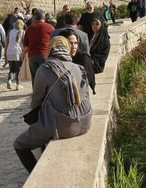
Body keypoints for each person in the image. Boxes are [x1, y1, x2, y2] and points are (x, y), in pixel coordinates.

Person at [13, 36, 92, 173]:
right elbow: (86, 95)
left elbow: (37, 100)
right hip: (85, 121)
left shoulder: (45, 69)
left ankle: (36, 176)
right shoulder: (79, 68)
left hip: (61, 125)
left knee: (19, 144)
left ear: (50, 50)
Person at [22, 9, 55, 83]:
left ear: (34, 17)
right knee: (46, 76)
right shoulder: (50, 28)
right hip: (45, 54)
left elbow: (25, 45)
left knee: (35, 77)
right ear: (44, 18)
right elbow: (54, 41)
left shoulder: (29, 28)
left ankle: (36, 92)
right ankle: (45, 93)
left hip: (32, 55)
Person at [62, 28, 96, 94]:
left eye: (75, 43)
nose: (73, 46)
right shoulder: (58, 60)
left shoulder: (83, 58)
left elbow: (86, 81)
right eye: (70, 43)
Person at [5, 18, 24, 90]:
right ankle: (18, 84)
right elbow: (24, 43)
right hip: (17, 52)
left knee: (11, 68)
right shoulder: (22, 32)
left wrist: (5, 53)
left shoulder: (10, 32)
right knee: (18, 68)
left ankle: (9, 80)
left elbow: (7, 42)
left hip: (10, 51)